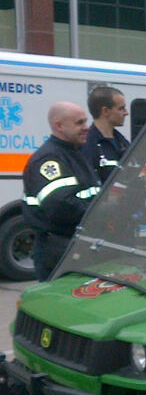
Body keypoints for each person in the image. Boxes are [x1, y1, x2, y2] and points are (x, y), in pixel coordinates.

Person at [22, 101, 101, 280]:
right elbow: (60, 207)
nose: (86, 128)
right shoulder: (50, 159)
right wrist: (101, 211)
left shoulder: (74, 153)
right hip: (59, 248)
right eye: (79, 123)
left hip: (77, 245)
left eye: (85, 122)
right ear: (59, 125)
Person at [82, 86, 129, 183]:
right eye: (121, 108)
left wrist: (144, 184)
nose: (126, 113)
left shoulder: (123, 143)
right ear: (105, 111)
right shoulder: (87, 144)